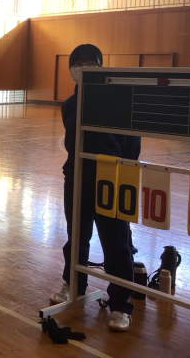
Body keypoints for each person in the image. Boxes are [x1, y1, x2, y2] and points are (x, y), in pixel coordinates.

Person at [50, 44, 141, 332]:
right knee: (76, 235)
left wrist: (123, 173)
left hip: (110, 179)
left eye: (90, 63)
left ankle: (121, 304)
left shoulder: (117, 101)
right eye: (78, 64)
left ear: (101, 68)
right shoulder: (69, 104)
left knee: (116, 241)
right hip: (76, 177)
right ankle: (74, 284)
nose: (83, 68)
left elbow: (131, 143)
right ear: (71, 70)